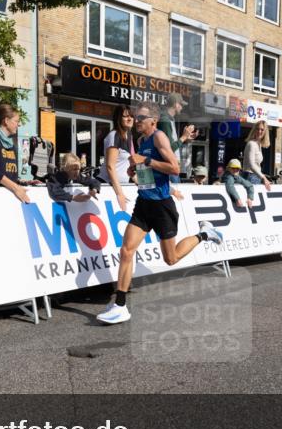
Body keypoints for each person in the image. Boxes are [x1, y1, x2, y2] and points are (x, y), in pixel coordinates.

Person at [96, 106, 224, 325]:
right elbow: (148, 174)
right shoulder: (143, 142)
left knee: (171, 258)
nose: (136, 121)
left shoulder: (158, 136)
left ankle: (204, 234)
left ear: (153, 120)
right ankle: (120, 305)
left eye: (141, 118)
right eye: (135, 118)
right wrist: (134, 171)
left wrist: (146, 162)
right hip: (144, 203)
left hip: (162, 206)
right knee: (126, 250)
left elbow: (174, 168)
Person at [0, 103, 30, 203]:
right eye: (16, 121)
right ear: (6, 121)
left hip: (9, 195)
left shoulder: (11, 143)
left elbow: (7, 172)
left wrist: (21, 182)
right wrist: (16, 188)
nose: (19, 124)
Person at [100, 105, 135, 212]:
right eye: (125, 116)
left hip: (120, 186)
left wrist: (144, 184)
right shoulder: (114, 135)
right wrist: (119, 194)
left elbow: (131, 164)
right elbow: (110, 166)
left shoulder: (128, 135)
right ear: (118, 119)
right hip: (108, 187)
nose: (130, 119)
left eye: (131, 116)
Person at [157, 93, 196, 181]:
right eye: (181, 105)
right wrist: (183, 137)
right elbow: (169, 149)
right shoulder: (165, 120)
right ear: (176, 104)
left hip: (171, 166)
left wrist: (185, 138)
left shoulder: (169, 119)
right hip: (169, 167)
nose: (182, 107)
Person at [242, 120, 272, 191]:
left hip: (255, 176)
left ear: (265, 132)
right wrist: (264, 178)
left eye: (262, 129)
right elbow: (251, 165)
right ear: (254, 130)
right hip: (250, 176)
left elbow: (256, 166)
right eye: (257, 129)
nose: (259, 131)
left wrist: (262, 177)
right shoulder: (251, 144)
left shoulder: (258, 144)